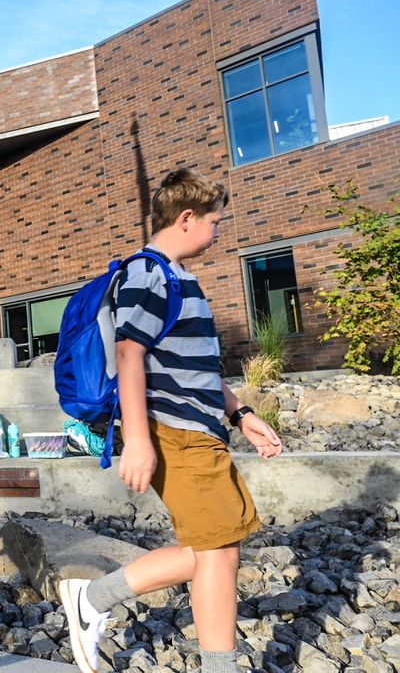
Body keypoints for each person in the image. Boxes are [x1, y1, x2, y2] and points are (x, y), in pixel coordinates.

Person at [58, 169, 284, 673]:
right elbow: (129, 353)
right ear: (186, 219)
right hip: (175, 433)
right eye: (214, 221)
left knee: (214, 546)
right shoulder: (149, 274)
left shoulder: (179, 278)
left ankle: (92, 598)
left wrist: (242, 414)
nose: (218, 232)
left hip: (198, 430)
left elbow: (197, 367)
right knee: (220, 552)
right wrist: (138, 440)